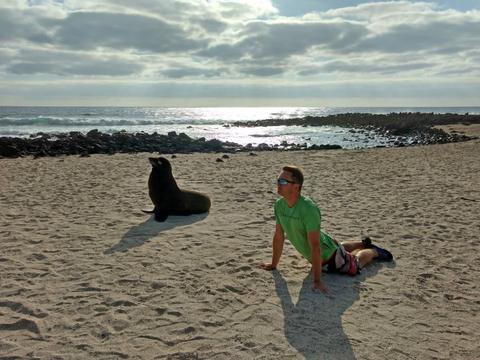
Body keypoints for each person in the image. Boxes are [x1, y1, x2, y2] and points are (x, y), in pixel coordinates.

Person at [260, 165, 393, 293]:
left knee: (354, 265)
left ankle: (373, 251)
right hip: (325, 245)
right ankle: (363, 243)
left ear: (296, 186)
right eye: (278, 180)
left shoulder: (308, 209)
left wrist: (317, 281)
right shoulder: (279, 205)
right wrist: (273, 264)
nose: (278, 183)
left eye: (283, 181)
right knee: (339, 248)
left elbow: (315, 246)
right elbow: (279, 236)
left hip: (328, 256)